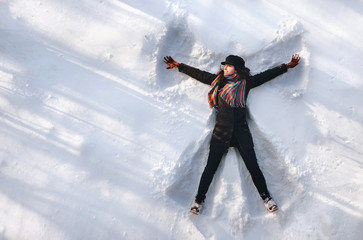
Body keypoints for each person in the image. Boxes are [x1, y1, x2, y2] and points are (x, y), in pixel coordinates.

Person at [163, 54, 300, 215]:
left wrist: (286, 66)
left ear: (237, 69)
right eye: (224, 66)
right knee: (210, 168)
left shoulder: (246, 83)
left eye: (228, 66)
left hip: (241, 133)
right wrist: (179, 65)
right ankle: (198, 201)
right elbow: (199, 74)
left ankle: (267, 199)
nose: (225, 68)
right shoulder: (218, 82)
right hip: (221, 133)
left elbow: (266, 75)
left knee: (253, 167)